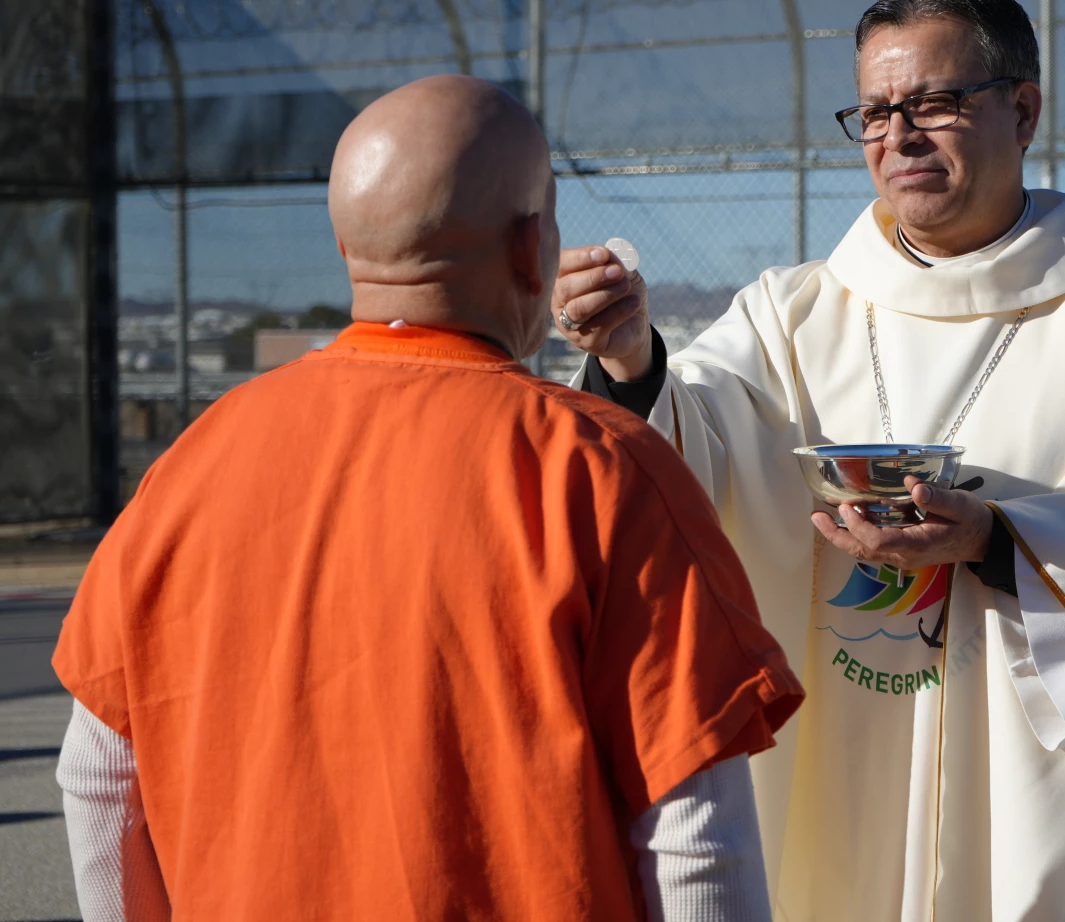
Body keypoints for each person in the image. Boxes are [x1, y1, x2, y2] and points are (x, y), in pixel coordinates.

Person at [553, 0, 1065, 921]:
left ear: (1024, 109)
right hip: (830, 766)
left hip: (1021, 783)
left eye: (935, 103)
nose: (900, 136)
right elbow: (692, 444)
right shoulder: (791, 312)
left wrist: (1001, 539)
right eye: (877, 112)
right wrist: (631, 360)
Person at [52, 75, 803, 921]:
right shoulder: (601, 466)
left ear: (347, 251)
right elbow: (694, 836)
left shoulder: (192, 462)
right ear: (531, 249)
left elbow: (98, 775)